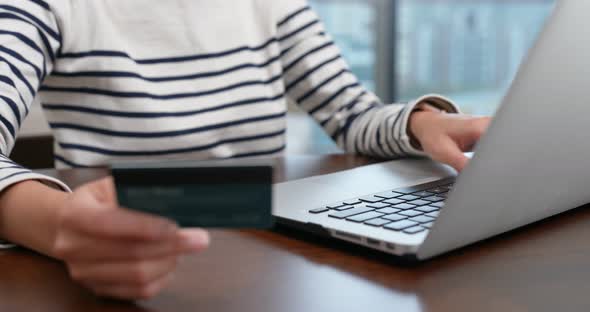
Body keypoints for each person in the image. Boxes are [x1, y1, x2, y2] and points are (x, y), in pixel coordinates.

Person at [0, 0, 490, 300]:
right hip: (128, 242)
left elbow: (351, 114)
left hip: (270, 244)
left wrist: (426, 121)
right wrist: (59, 222)